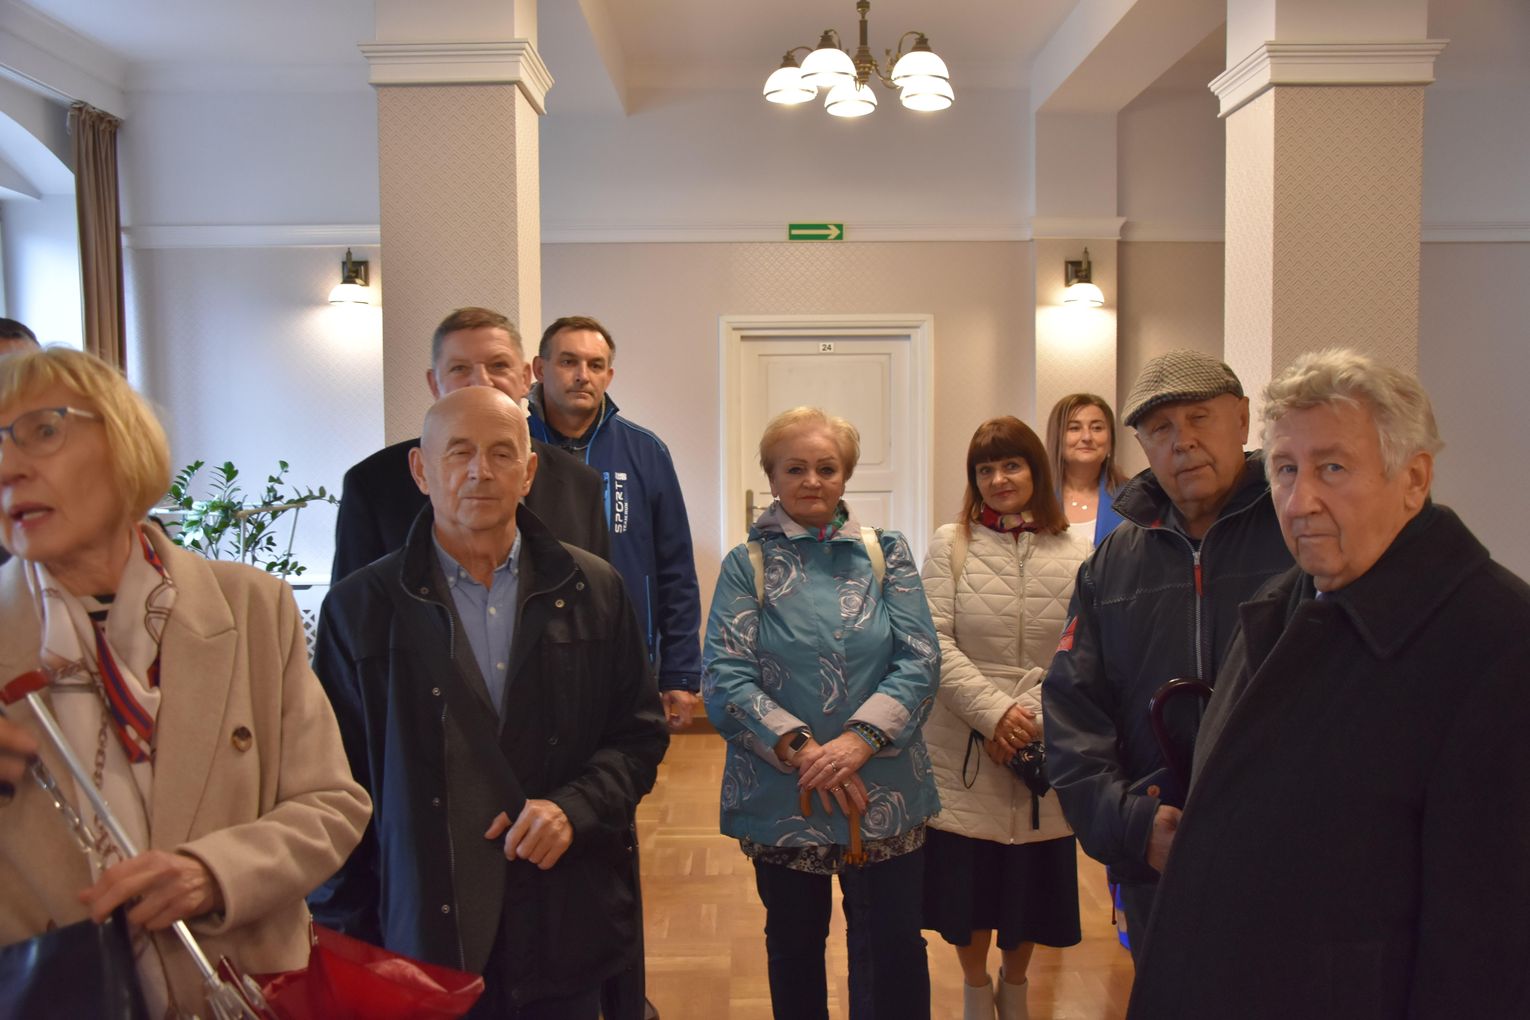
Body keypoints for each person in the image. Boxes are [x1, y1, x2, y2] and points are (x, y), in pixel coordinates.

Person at [1129, 349, 1530, 1019]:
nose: (1300, 501)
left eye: (1333, 469)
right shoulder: (1281, 605)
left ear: (1413, 479)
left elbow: (1489, 941)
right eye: (1286, 469)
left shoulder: (1496, 641)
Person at [0, 347, 370, 1016]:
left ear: (123, 444)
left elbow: (331, 806)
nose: (9, 467)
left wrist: (214, 873)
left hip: (240, 988)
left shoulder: (250, 606)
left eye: (43, 430)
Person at [310, 386, 668, 1019]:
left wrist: (573, 808)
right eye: (459, 452)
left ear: (528, 474)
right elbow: (333, 785)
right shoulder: (360, 609)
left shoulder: (593, 590)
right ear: (421, 470)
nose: (480, 471)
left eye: (502, 453)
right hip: (423, 939)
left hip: (563, 925)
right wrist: (348, 938)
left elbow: (638, 737)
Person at [1041, 349, 1291, 960]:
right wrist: (1130, 824)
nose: (1183, 442)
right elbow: (1073, 711)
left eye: (1200, 417)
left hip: (1286, 854)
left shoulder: (1299, 533)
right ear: (1142, 446)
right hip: (1158, 855)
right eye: (1160, 428)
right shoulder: (1112, 562)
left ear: (1243, 419)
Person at [702, 406, 941, 1020]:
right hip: (787, 793)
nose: (812, 480)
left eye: (826, 468)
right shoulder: (746, 564)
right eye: (795, 468)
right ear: (772, 476)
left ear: (845, 476)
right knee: (794, 947)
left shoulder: (887, 552)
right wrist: (806, 750)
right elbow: (726, 674)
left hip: (883, 788)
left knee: (892, 949)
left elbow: (920, 658)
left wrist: (860, 740)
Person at [920, 417, 1092, 1020]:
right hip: (964, 743)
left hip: (1045, 741)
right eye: (985, 469)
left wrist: (1028, 722)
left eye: (1011, 465)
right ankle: (975, 992)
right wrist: (994, 716)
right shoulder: (951, 543)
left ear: (1035, 469)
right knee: (968, 891)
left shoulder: (1080, 551)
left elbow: (1084, 650)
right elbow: (932, 643)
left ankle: (1013, 990)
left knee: (1028, 887)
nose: (998, 479)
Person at [331, 306, 608, 583]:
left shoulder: (581, 484)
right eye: (460, 368)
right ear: (434, 383)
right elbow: (354, 605)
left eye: (498, 366)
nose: (481, 381)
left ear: (525, 378)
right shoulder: (372, 485)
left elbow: (596, 597)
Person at [528, 315, 702, 732]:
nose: (582, 375)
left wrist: (680, 673)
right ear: (539, 369)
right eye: (568, 362)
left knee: (619, 767)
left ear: (609, 375)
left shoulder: (645, 451)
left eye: (595, 365)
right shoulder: (512, 444)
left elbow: (676, 568)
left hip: (623, 657)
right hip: (530, 659)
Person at [1045, 393, 1127, 547]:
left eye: (1097, 428)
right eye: (1074, 428)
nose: (1087, 437)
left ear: (1110, 438)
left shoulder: (1133, 499)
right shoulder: (1036, 499)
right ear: (1057, 437)